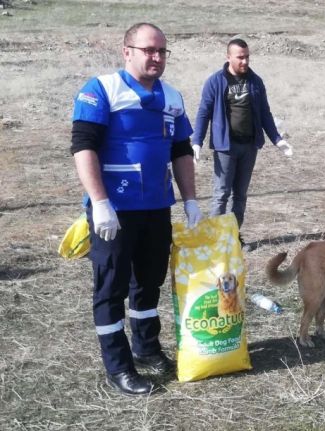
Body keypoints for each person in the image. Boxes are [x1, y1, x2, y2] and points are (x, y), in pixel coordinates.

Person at [71, 22, 202, 395]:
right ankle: (118, 365)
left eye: (162, 51)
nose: (156, 57)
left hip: (156, 207)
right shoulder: (100, 90)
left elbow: (180, 150)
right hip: (114, 212)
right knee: (111, 288)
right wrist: (99, 203)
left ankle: (146, 349)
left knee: (148, 283)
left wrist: (190, 198)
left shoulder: (173, 97)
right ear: (127, 51)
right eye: (149, 50)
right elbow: (84, 148)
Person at [191, 38, 292, 250]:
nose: (245, 61)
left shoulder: (255, 81)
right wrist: (196, 141)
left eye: (247, 57)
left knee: (240, 196)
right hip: (225, 147)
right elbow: (203, 112)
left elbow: (265, 113)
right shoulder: (216, 81)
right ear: (228, 57)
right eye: (240, 57)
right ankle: (213, 240)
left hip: (249, 146)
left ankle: (233, 238)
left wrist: (277, 139)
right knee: (221, 194)